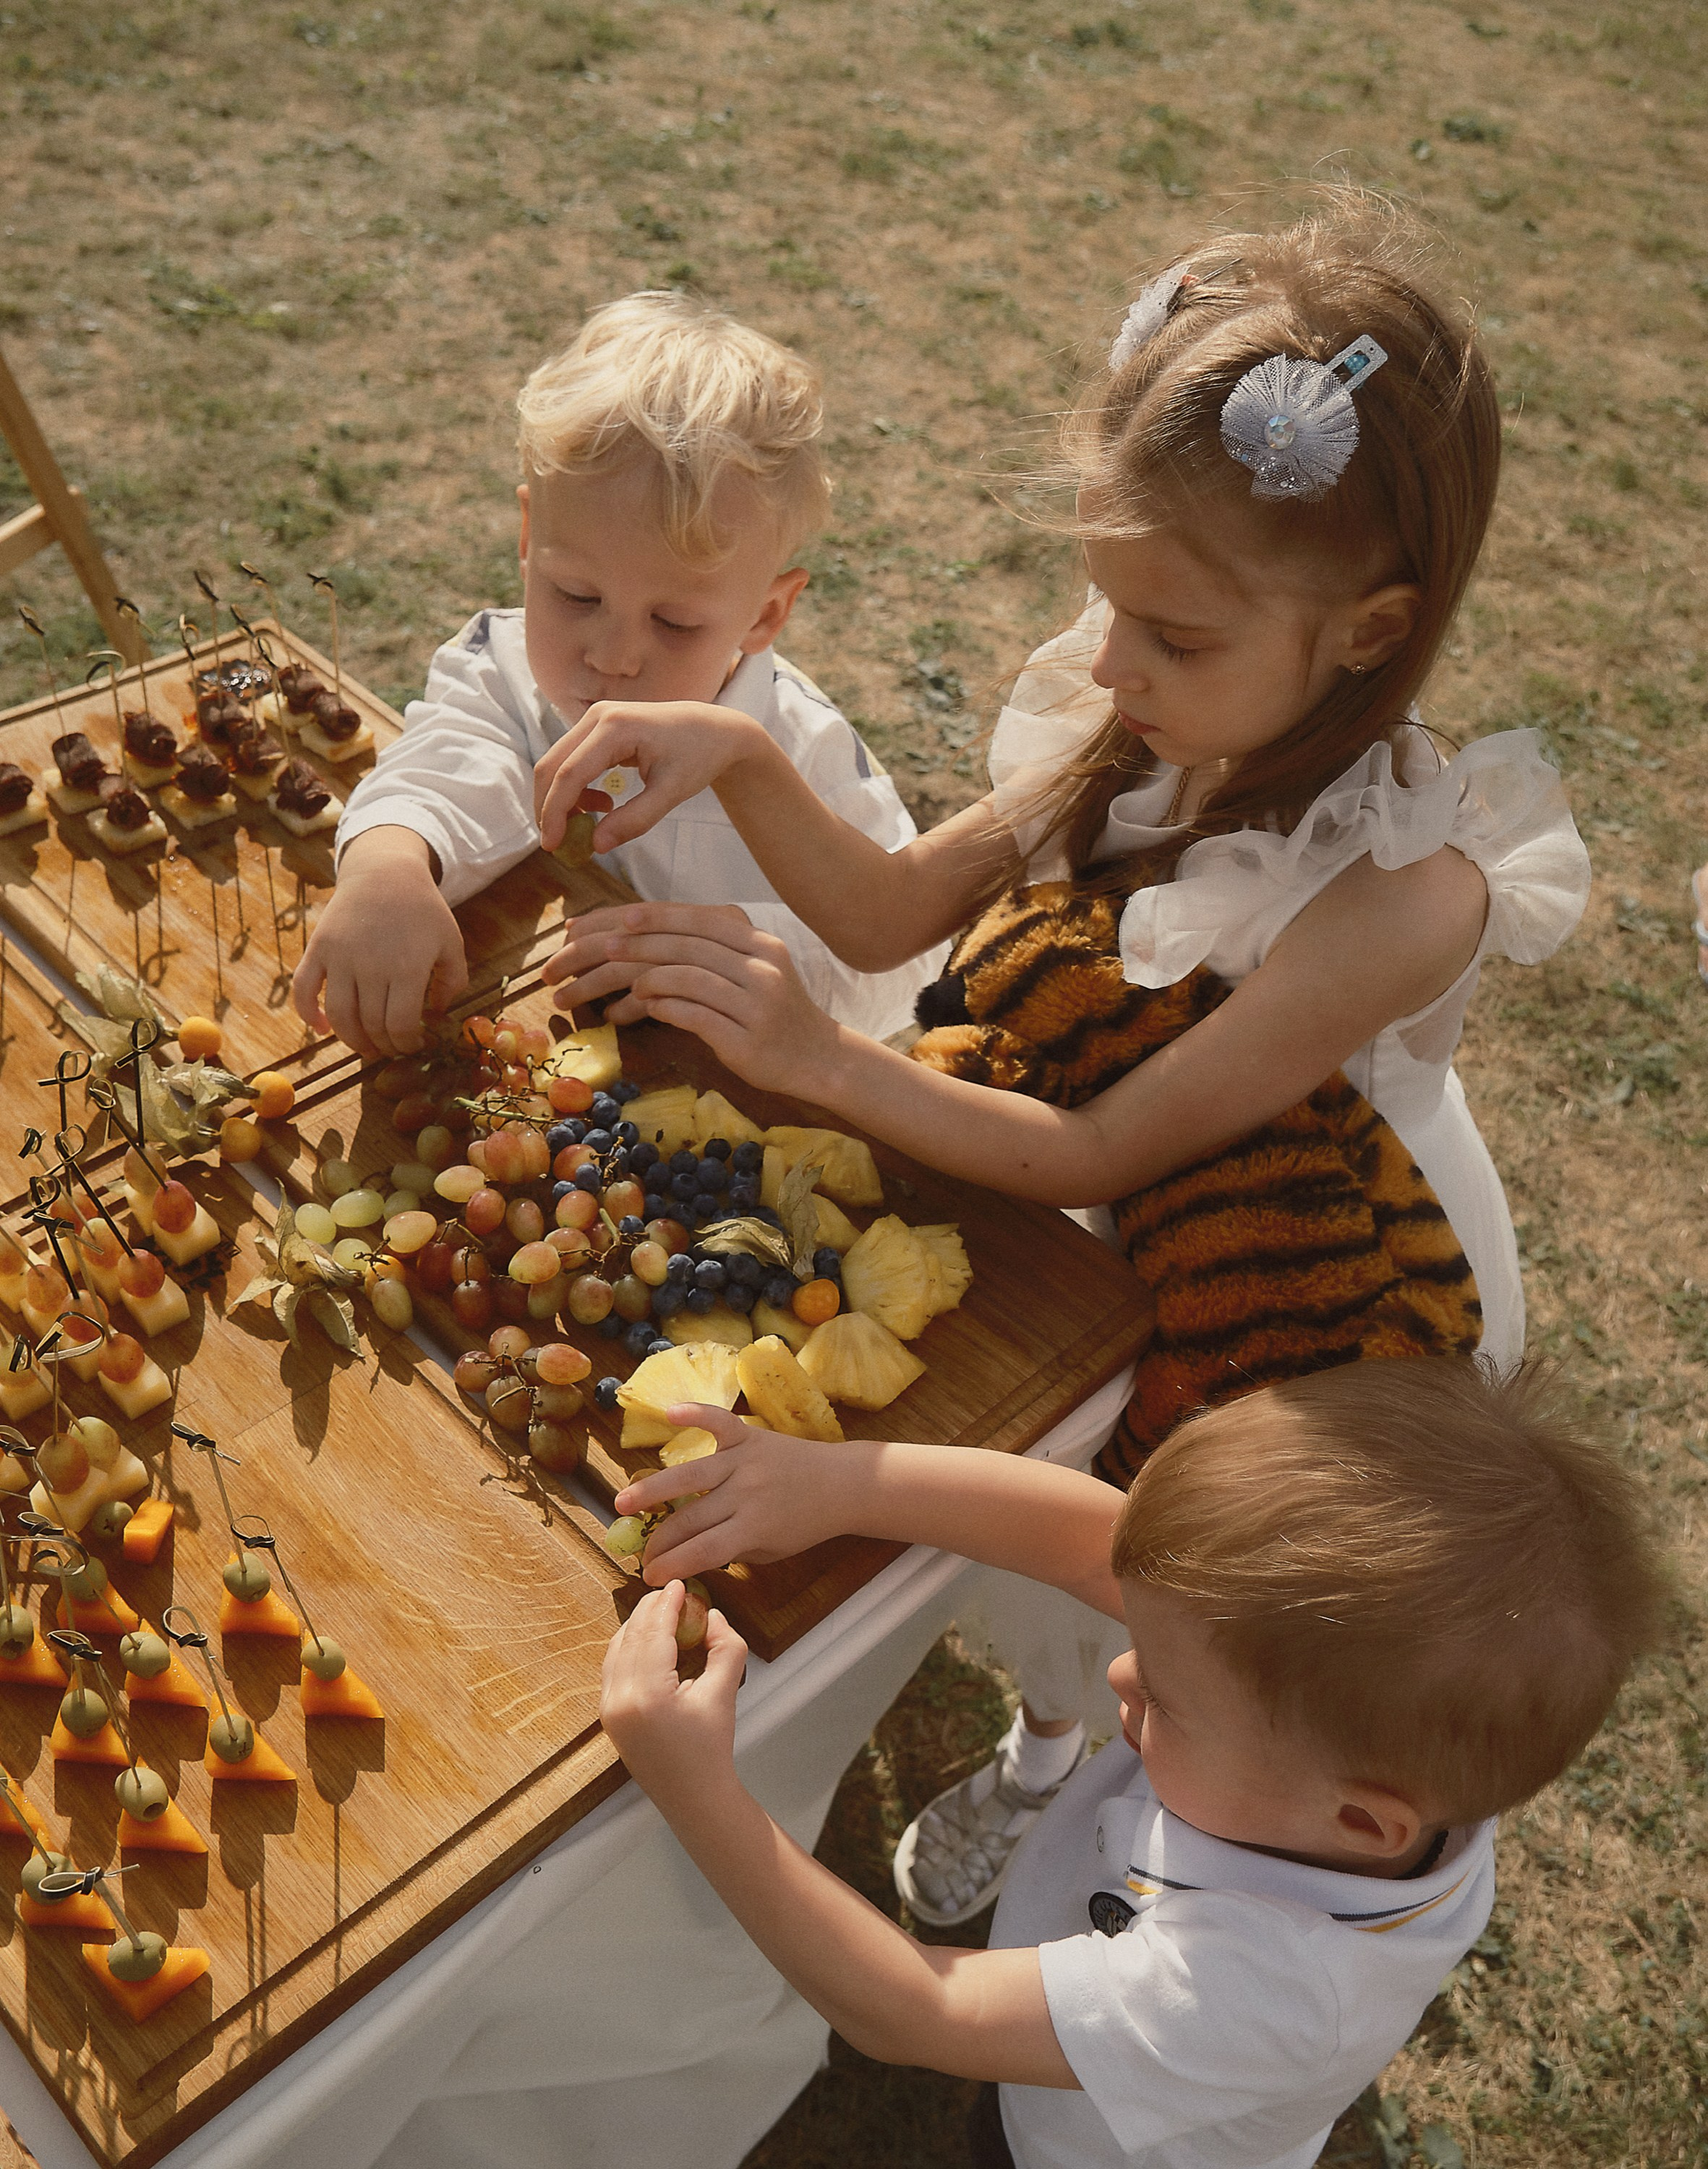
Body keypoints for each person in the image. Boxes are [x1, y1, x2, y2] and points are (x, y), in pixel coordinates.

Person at [531, 197, 1596, 1922]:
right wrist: (729, 740)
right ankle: (1046, 1725)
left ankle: (1081, 1772)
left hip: (1295, 1293)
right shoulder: (1143, 714)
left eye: (1170, 636)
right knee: (1031, 1510)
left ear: (1367, 629)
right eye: (1108, 605)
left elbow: (1108, 1147)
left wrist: (814, 1056)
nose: (1108, 667)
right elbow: (886, 909)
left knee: (1160, 1563)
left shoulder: (1401, 886)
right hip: (1090, 1201)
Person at [601, 1359, 1665, 2169]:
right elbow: (1087, 1541)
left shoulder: (1269, 1986)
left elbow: (917, 2012)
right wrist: (838, 1482)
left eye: (1166, 1699)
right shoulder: (1330, 1741)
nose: (1119, 1675)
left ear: (1362, 1825)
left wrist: (696, 1786)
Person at [294, 290, 941, 1057]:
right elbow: (448, 757)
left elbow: (906, 958)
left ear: (765, 615)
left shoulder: (804, 758)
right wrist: (389, 859)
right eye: (577, 595)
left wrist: (750, 948)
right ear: (532, 537)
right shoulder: (502, 664)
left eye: (675, 624)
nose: (612, 655)